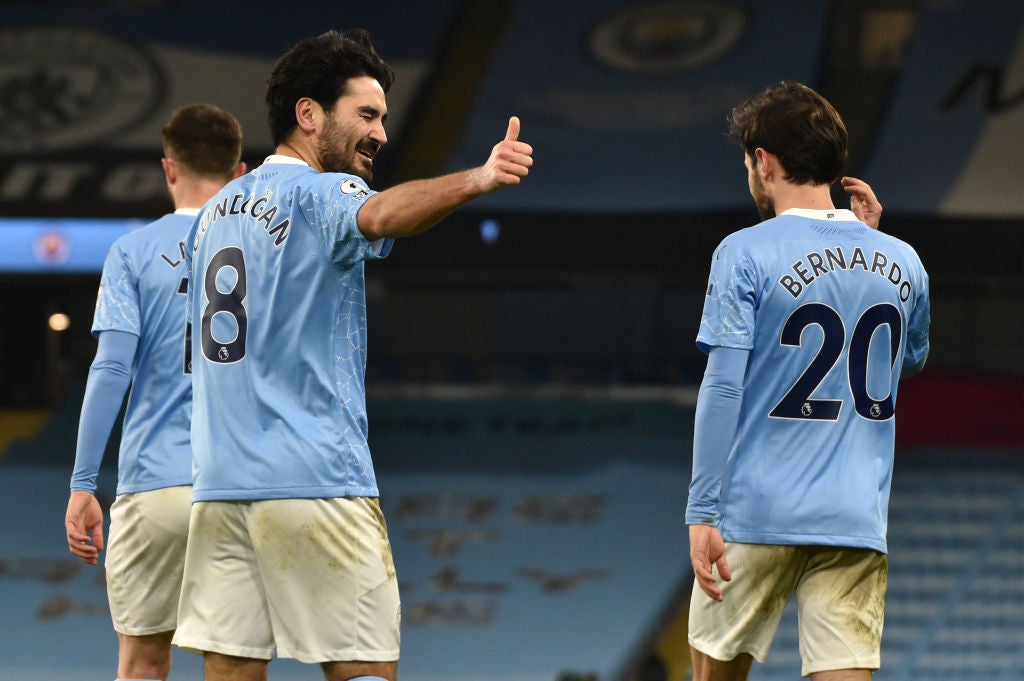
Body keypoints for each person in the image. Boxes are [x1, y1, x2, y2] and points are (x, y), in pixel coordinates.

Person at [171, 28, 532, 681]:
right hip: (314, 477)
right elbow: (383, 215)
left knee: (228, 672)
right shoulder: (322, 194)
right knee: (363, 668)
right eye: (366, 115)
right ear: (308, 114)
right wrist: (477, 178)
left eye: (385, 118)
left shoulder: (213, 214)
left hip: (220, 485)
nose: (382, 134)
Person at [685, 80, 930, 681]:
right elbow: (908, 362)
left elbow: (722, 386)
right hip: (855, 516)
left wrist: (701, 511)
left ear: (764, 162)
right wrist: (868, 245)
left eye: (749, 161)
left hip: (757, 511)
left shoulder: (743, 251)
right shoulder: (902, 258)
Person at [64, 105, 245, 680]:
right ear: (240, 172)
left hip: (156, 484)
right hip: (242, 483)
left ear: (169, 169)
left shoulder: (132, 253)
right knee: (233, 664)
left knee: (143, 661)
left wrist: (83, 484)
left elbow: (111, 368)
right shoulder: (269, 253)